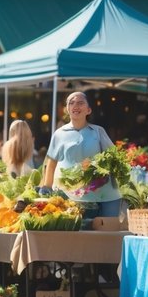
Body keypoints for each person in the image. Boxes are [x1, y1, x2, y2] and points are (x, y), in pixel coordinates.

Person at [41, 91, 122, 219]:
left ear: (88, 110)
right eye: (71, 103)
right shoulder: (59, 134)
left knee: (107, 233)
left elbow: (115, 159)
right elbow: (51, 164)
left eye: (80, 103)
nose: (75, 106)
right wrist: (46, 187)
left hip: (103, 194)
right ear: (67, 109)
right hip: (69, 195)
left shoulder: (98, 131)